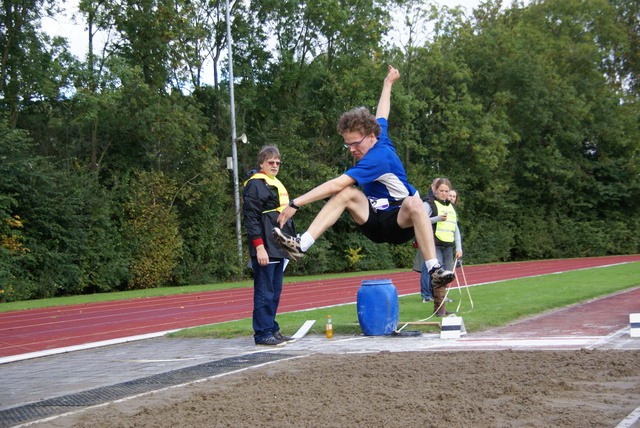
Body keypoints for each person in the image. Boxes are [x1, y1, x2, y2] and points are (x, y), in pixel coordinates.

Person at [272, 65, 455, 289]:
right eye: (346, 144)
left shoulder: (378, 158)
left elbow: (335, 184)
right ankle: (302, 244)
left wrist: (295, 203)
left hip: (399, 222)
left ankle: (434, 269)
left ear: (370, 136)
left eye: (354, 144)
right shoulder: (380, 134)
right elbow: (382, 114)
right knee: (348, 194)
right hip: (374, 219)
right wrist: (388, 83)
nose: (350, 149)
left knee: (413, 201)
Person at [242, 145, 297, 347]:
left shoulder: (273, 183)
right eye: (271, 162)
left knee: (274, 290)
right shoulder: (255, 185)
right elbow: (251, 218)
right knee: (265, 291)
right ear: (261, 164)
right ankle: (262, 333)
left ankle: (272, 328)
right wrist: (259, 247)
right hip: (265, 246)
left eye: (277, 163)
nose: (275, 166)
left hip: (277, 245)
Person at [416, 177, 463, 316]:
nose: (444, 193)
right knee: (439, 275)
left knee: (447, 275)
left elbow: (455, 228)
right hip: (434, 244)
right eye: (441, 190)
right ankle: (439, 308)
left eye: (446, 191)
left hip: (448, 246)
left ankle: (441, 306)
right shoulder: (429, 204)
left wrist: (459, 247)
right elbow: (420, 221)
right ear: (435, 189)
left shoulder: (450, 206)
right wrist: (437, 219)